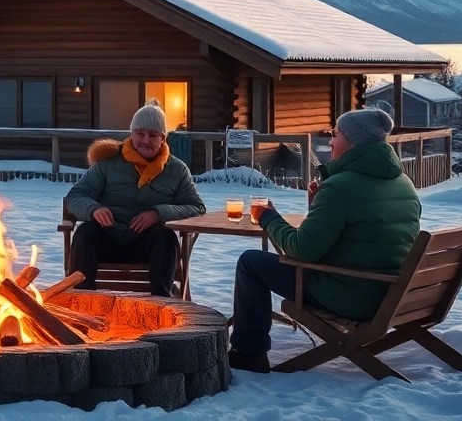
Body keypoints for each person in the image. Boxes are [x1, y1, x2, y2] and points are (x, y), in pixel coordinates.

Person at [227, 107, 421, 373]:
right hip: (391, 294)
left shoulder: (340, 187)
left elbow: (302, 251)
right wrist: (319, 205)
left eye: (336, 134)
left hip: (349, 295)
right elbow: (362, 234)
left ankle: (249, 354)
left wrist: (269, 218)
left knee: (251, 262)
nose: (330, 141)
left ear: (353, 142)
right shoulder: (403, 183)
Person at [65, 101, 206, 297]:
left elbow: (197, 207)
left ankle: (161, 305)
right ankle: (81, 300)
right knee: (85, 232)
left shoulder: (177, 169)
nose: (145, 140)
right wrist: (93, 209)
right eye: (140, 133)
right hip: (107, 239)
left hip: (146, 246)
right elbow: (76, 195)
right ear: (132, 134)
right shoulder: (109, 162)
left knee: (166, 238)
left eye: (153, 135)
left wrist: (158, 213)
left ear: (163, 139)